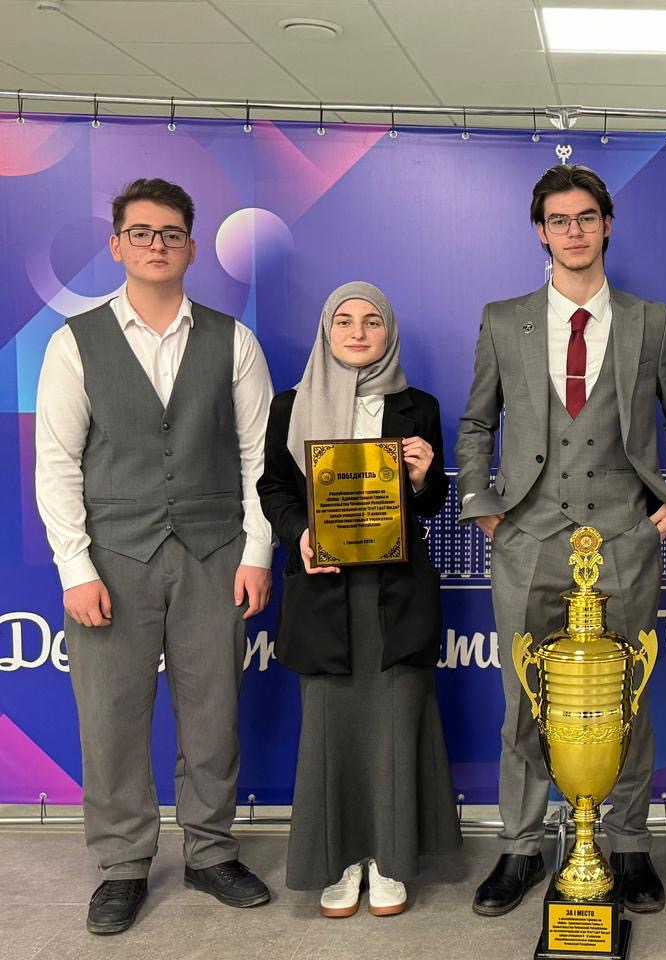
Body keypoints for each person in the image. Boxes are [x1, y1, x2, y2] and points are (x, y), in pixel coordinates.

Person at [456, 163, 666, 917]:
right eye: (559, 220)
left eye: (586, 218)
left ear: (607, 225)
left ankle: (626, 844)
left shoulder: (649, 320)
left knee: (626, 697)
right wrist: (485, 509)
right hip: (527, 539)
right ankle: (520, 846)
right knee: (523, 699)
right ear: (541, 232)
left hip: (624, 538)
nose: (574, 231)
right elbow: (476, 424)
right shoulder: (504, 319)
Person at [33, 178, 273, 934]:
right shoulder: (74, 342)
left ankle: (210, 851)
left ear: (192, 248)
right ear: (117, 246)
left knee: (213, 713)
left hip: (214, 551)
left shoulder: (234, 341)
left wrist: (257, 551)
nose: (156, 245)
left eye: (170, 233)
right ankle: (122, 864)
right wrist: (76, 568)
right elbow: (56, 465)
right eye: (140, 233)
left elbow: (260, 460)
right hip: (113, 557)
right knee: (110, 718)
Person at [257, 281, 461, 918]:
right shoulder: (291, 405)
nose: (357, 332)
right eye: (343, 321)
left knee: (397, 719)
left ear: (388, 333)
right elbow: (273, 489)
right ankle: (340, 861)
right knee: (331, 727)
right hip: (324, 589)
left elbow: (433, 504)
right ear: (326, 332)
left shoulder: (418, 406)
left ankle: (391, 860)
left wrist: (424, 476)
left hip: (395, 593)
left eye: (372, 321)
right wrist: (302, 533)